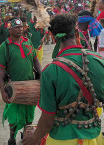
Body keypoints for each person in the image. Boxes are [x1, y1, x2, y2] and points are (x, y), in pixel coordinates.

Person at [23, 13, 104, 145]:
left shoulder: (50, 71)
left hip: (62, 139)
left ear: (54, 39)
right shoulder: (98, 60)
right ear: (77, 33)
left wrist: (34, 137)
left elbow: (48, 120)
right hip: (94, 137)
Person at [0, 18, 41, 145]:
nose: (20, 29)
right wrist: (2, 91)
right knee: (14, 116)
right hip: (14, 87)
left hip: (30, 86)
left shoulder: (28, 42)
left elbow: (35, 60)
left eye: (21, 27)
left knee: (29, 114)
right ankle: (12, 138)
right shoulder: (5, 46)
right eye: (17, 27)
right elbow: (1, 69)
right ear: (9, 29)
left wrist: (42, 76)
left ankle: (26, 135)